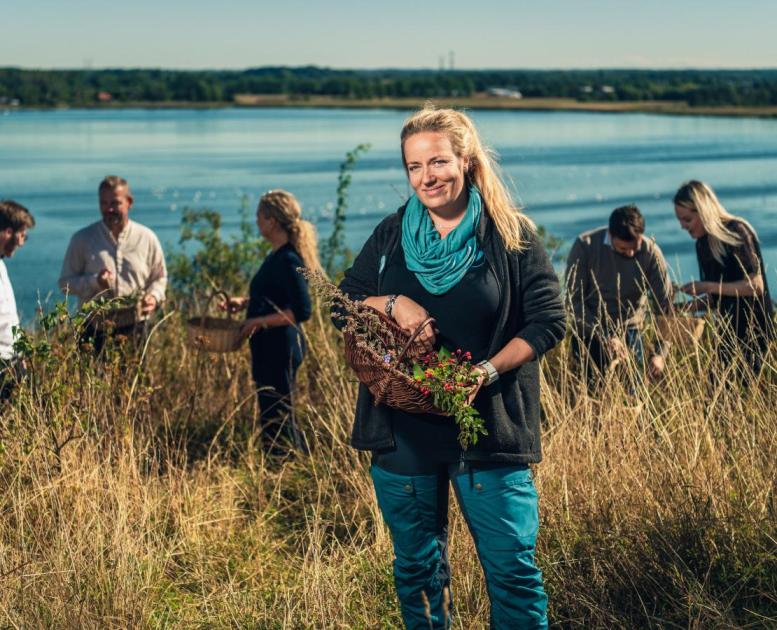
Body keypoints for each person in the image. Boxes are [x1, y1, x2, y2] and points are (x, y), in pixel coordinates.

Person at [337, 105, 565, 629]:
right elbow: (342, 303)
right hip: (404, 431)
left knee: (512, 572)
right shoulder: (392, 235)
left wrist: (485, 371)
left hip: (488, 428)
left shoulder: (511, 236)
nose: (426, 177)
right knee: (418, 571)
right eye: (414, 167)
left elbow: (548, 322)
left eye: (437, 162)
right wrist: (391, 302)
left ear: (466, 160)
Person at [223, 190, 319, 453]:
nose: (256, 221)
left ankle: (288, 466)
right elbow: (274, 296)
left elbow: (302, 310)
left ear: (272, 221)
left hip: (281, 348)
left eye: (259, 216)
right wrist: (243, 303)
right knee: (272, 410)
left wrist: (258, 322)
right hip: (270, 348)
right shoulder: (277, 255)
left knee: (279, 414)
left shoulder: (288, 259)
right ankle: (283, 465)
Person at [565, 204, 674, 388]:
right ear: (611, 235)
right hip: (589, 333)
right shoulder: (585, 246)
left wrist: (660, 354)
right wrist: (604, 335)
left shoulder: (650, 252)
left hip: (630, 332)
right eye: (623, 249)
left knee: (633, 395)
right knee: (590, 395)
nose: (631, 253)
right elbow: (572, 302)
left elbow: (665, 306)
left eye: (635, 247)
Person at [674, 180, 774, 375]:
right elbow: (717, 297)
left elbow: (755, 286)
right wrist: (687, 308)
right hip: (728, 333)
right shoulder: (702, 245)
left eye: (687, 219)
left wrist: (707, 286)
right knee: (717, 394)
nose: (682, 226)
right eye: (680, 220)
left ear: (703, 211)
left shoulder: (737, 231)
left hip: (755, 333)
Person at [59, 176, 167, 351]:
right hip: (92, 329)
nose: (109, 209)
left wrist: (153, 297)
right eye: (104, 203)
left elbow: (159, 278)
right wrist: (95, 282)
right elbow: (65, 285)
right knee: (92, 378)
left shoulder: (147, 238)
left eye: (115, 203)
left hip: (135, 328)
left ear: (129, 202)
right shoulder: (82, 239)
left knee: (135, 378)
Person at [0, 200, 35, 400]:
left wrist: (19, 353)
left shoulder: (2, 265)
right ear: (7, 232)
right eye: (22, 235)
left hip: (11, 360)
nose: (22, 242)